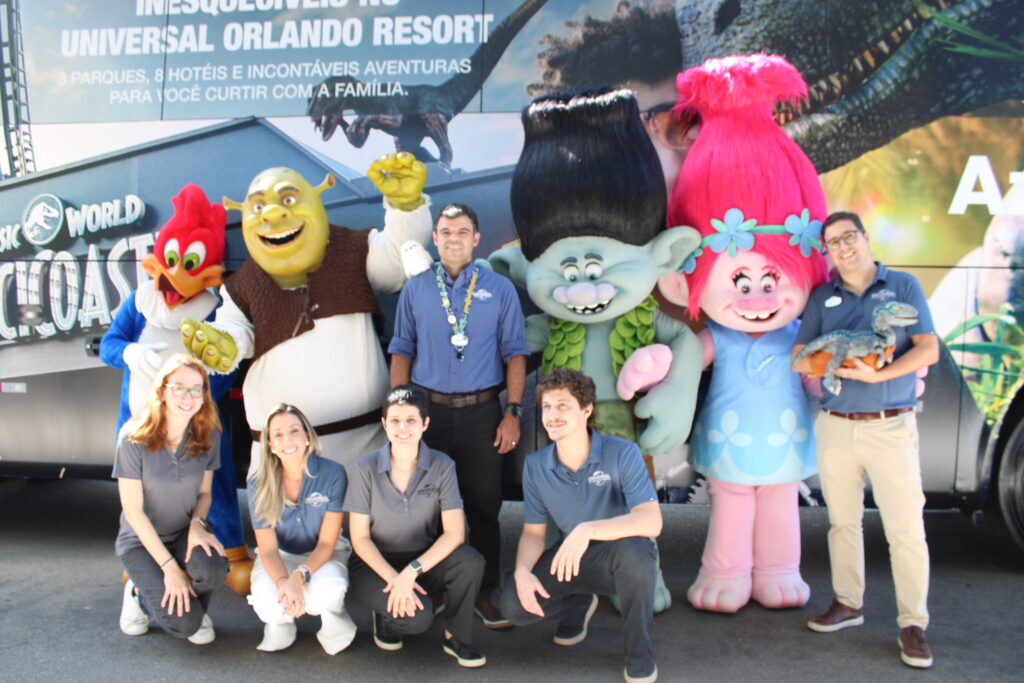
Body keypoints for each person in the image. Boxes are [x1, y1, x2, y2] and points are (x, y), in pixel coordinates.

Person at [791, 211, 939, 669]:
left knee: (905, 530)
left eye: (848, 237)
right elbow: (799, 359)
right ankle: (847, 602)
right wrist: (832, 365)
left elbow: (928, 347)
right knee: (842, 523)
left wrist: (880, 376)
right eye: (833, 243)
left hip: (889, 424)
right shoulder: (823, 296)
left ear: (865, 238)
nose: (843, 247)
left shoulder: (903, 287)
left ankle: (913, 624)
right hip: (836, 424)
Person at [388, 202, 529, 628]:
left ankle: (485, 593)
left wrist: (513, 413)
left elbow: (516, 355)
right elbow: (401, 351)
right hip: (426, 415)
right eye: (445, 231)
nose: (453, 238)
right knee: (427, 510)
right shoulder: (416, 289)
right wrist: (399, 412)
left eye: (462, 231)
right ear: (435, 238)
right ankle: (435, 590)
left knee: (484, 508)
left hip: (482, 414)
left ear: (476, 238)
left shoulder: (499, 289)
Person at [494, 369, 663, 683]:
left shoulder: (621, 451)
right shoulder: (535, 465)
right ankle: (578, 603)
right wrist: (521, 571)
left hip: (621, 554)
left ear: (586, 410)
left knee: (635, 552)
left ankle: (638, 650)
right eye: (547, 407)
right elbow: (533, 532)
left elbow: (651, 520)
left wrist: (587, 530)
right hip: (570, 557)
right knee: (512, 606)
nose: (552, 415)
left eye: (563, 406)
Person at [344, 385, 486, 668]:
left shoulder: (442, 465)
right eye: (395, 420)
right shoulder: (365, 468)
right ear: (384, 424)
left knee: (470, 561)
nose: (402, 427)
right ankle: (384, 615)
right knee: (417, 622)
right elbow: (359, 539)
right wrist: (394, 580)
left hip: (422, 559)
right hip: (374, 563)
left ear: (425, 424)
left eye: (411, 420)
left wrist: (411, 572)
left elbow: (455, 533)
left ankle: (456, 636)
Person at [114, 353, 228, 644]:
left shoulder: (208, 434)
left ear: (204, 395)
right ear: (163, 391)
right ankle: (138, 597)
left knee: (213, 568)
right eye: (178, 387)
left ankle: (187, 604)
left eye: (196, 389)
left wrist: (197, 525)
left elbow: (204, 493)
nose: (187, 397)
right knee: (185, 626)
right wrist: (170, 569)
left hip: (183, 532)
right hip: (140, 542)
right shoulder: (133, 437)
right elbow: (133, 512)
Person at [246, 403, 357, 654]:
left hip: (324, 551)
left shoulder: (333, 473)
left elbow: (328, 543)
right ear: (271, 445)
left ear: (307, 436)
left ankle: (335, 627)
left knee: (327, 591)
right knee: (268, 601)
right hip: (281, 554)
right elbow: (268, 549)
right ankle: (280, 626)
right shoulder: (258, 483)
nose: (288, 439)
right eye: (278, 434)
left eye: (295, 430)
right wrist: (285, 582)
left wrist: (299, 577)